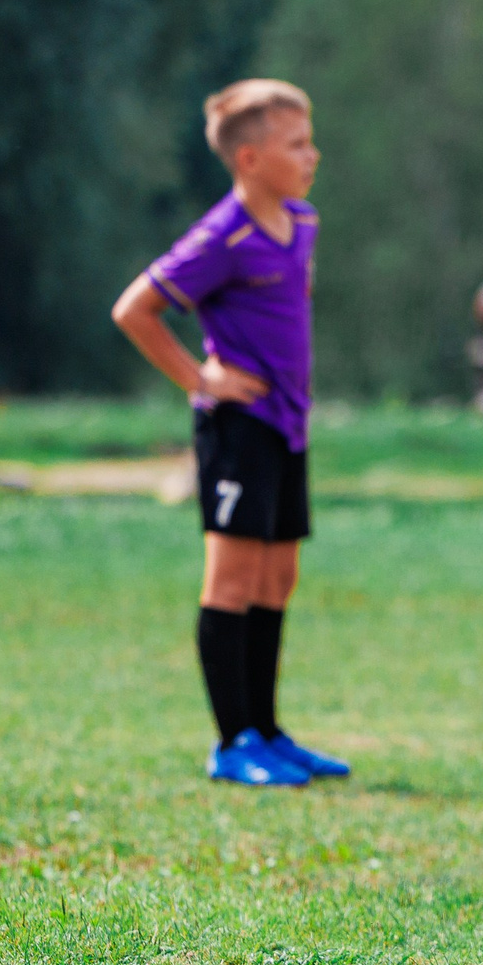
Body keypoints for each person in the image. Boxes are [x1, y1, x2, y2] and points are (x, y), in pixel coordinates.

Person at [112, 79, 350, 787]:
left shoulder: (302, 222)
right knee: (233, 578)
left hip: (287, 426)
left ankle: (268, 733)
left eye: (310, 140)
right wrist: (199, 377)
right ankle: (231, 741)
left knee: (278, 576)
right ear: (249, 159)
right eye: (296, 144)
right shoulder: (224, 236)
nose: (312, 155)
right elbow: (135, 309)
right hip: (239, 429)